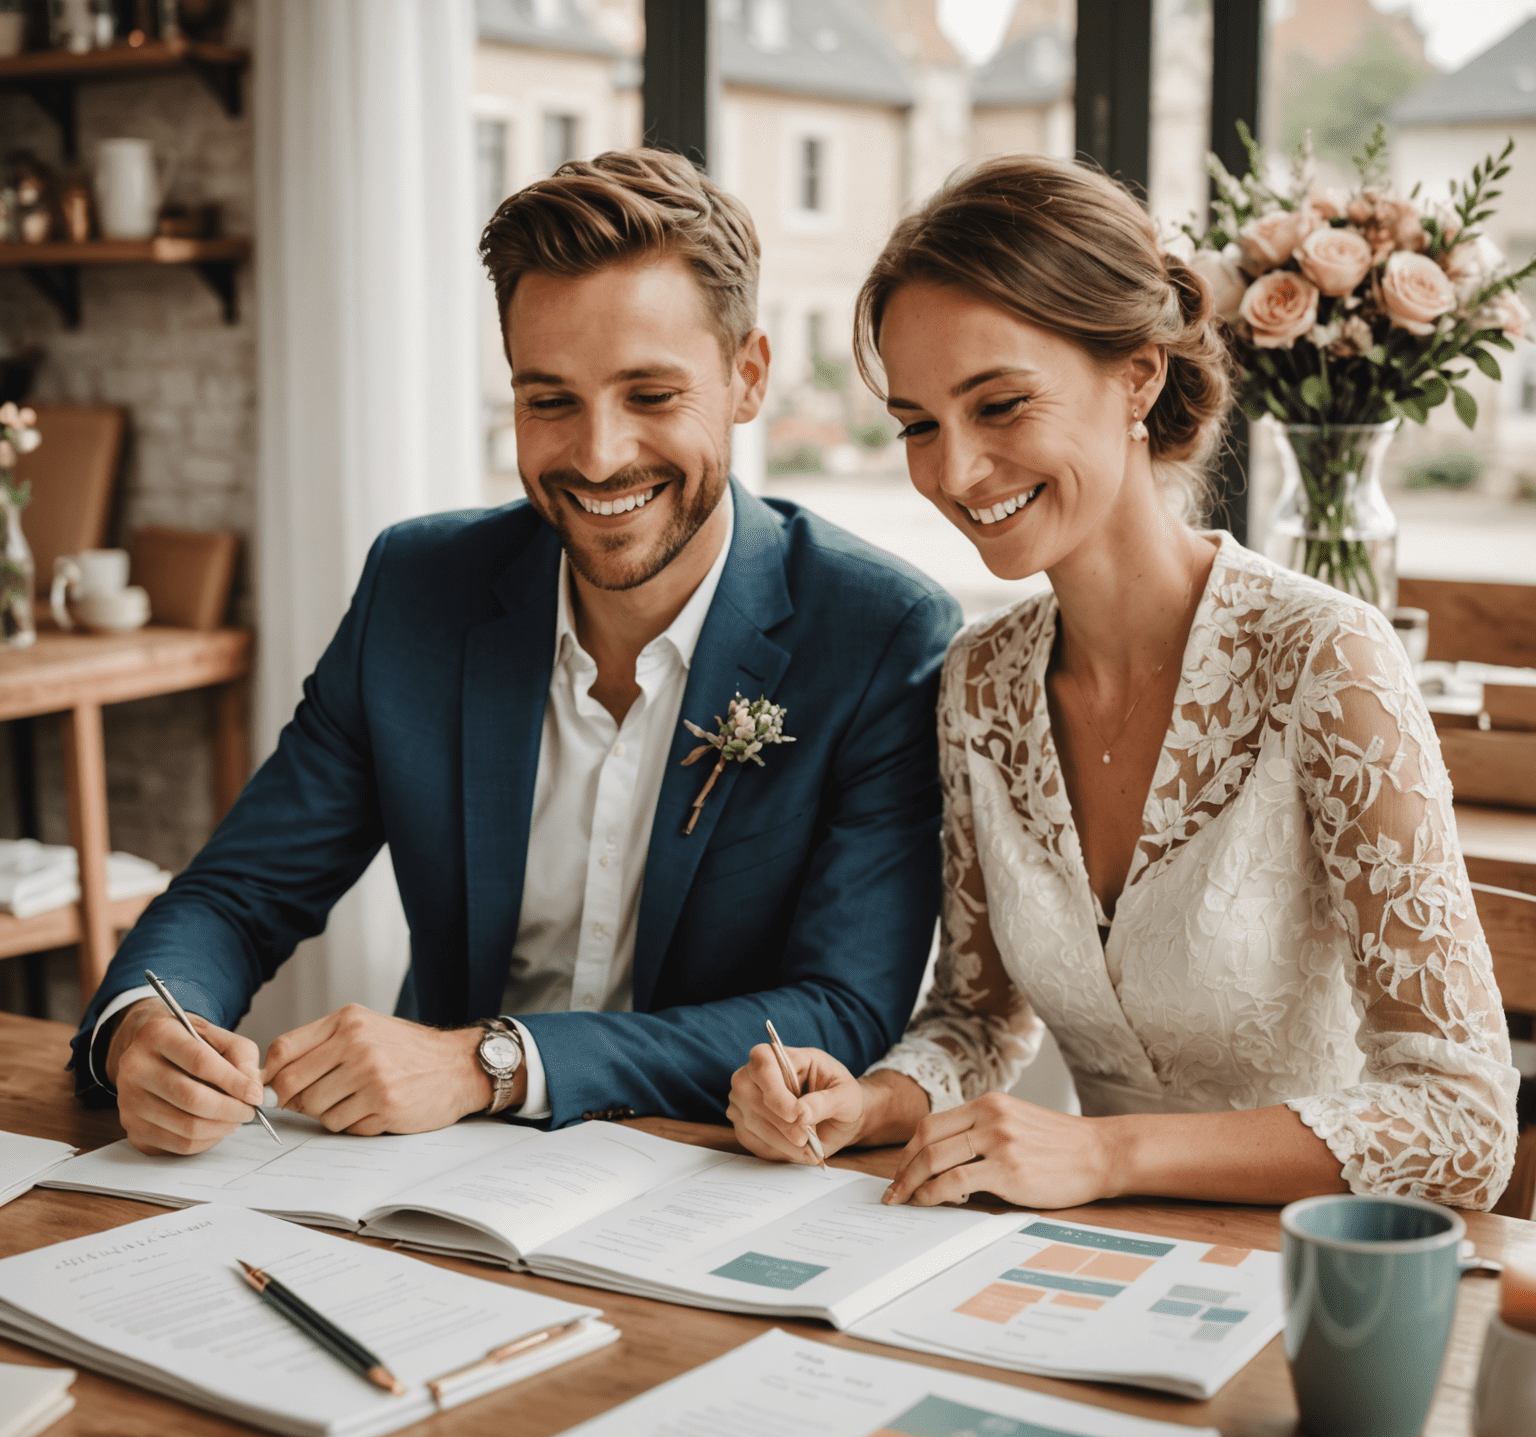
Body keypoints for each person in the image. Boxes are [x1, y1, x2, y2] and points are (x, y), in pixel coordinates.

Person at [73, 148, 961, 1154]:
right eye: (550, 401)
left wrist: (490, 1063)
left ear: (747, 375)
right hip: (430, 1183)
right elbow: (240, 895)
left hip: (712, 1175)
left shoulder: (879, 633)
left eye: (651, 395)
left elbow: (843, 1009)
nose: (598, 454)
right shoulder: (420, 588)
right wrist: (147, 1027)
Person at [727, 155, 1517, 1212]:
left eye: (1000, 404)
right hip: (1087, 1270)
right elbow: (978, 1021)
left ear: (1138, 376)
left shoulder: (1328, 661)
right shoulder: (980, 683)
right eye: (919, 424)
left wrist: (1107, 1155)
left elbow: (1464, 1121)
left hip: (1324, 1278)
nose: (955, 472)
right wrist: (871, 1102)